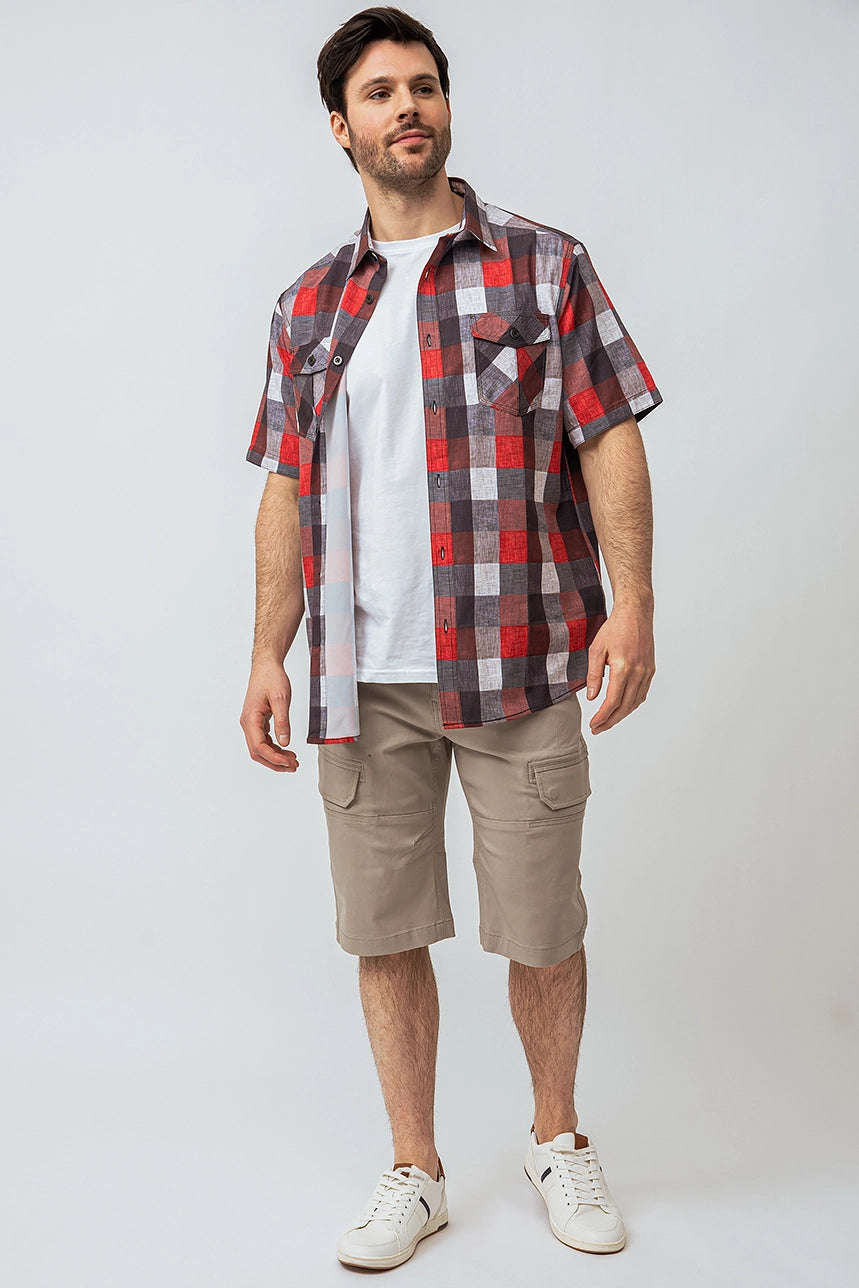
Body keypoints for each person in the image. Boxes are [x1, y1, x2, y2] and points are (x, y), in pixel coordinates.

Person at [240, 5, 663, 1270]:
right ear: (342, 127)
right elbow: (283, 484)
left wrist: (634, 601)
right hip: (361, 674)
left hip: (517, 658)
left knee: (541, 921)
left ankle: (555, 1138)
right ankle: (414, 1169)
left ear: (445, 106)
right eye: (378, 93)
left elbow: (608, 433)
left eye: (422, 85)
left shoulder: (543, 266)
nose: (406, 107)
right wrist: (265, 650)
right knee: (385, 928)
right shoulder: (308, 303)